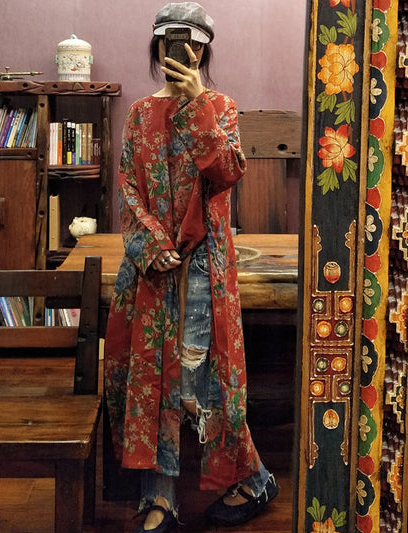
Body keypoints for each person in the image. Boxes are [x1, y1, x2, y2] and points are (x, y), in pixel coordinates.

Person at [104, 3, 279, 531]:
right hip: (151, 269)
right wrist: (151, 244)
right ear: (158, 47)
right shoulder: (138, 113)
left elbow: (227, 173)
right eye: (173, 41)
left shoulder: (221, 107)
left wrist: (198, 102)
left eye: (194, 44)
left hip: (204, 267)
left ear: (204, 51)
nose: (184, 52)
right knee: (149, 377)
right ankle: (158, 496)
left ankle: (254, 477)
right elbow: (127, 190)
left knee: (202, 384)